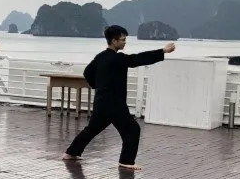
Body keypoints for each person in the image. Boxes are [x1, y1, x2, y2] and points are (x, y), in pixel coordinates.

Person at [62, 25, 175, 171]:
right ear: (114, 41)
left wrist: (99, 86)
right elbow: (138, 59)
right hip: (115, 105)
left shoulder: (100, 57)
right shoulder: (118, 58)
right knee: (132, 130)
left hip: (101, 102)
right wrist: (163, 51)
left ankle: (70, 153)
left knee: (91, 130)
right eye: (122, 40)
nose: (125, 42)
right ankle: (126, 161)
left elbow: (87, 73)